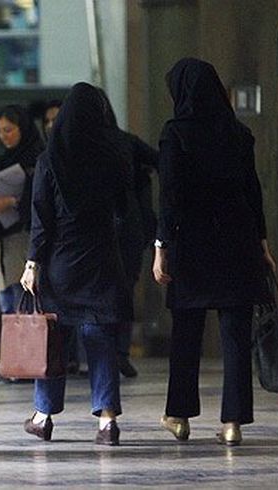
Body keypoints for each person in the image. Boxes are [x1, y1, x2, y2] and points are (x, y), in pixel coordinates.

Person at [153, 57, 275, 446]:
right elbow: (253, 191)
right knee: (236, 336)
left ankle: (179, 416)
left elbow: (170, 196)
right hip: (238, 241)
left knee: (186, 334)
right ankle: (233, 423)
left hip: (192, 244)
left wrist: (161, 247)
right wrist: (262, 243)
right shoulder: (239, 134)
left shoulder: (175, 133)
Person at [20, 82, 132, 446]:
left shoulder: (49, 160)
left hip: (61, 262)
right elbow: (124, 209)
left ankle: (43, 416)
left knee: (54, 339)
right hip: (101, 259)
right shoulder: (113, 156)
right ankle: (107, 422)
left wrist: (33, 263)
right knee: (100, 337)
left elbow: (41, 219)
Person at [97, 89, 160, 379]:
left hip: (98, 231)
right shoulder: (127, 142)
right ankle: (120, 352)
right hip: (129, 228)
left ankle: (103, 353)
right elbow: (160, 160)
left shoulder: (81, 145)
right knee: (124, 292)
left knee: (99, 292)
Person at [0, 105, 44, 317]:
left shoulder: (37, 157)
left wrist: (14, 202)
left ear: (22, 128)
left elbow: (39, 198)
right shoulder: (6, 159)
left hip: (22, 238)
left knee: (21, 302)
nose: (3, 136)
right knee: (7, 304)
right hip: (3, 239)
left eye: (8, 130)